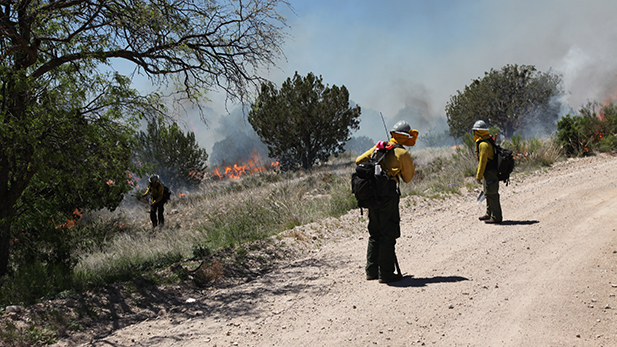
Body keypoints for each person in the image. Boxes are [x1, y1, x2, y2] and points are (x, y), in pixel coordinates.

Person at [355, 120, 417, 283]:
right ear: (404, 136)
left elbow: (358, 160)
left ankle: (371, 271)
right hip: (388, 195)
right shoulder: (402, 154)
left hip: (373, 195)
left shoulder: (378, 148)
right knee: (388, 232)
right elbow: (408, 178)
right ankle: (386, 273)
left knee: (374, 232)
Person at [473, 120, 502, 224]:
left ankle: (496, 217)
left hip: (490, 171)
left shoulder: (483, 144)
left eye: (475, 131)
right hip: (488, 172)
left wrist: (478, 176)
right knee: (487, 193)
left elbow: (483, 161)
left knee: (492, 194)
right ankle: (489, 214)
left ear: (478, 132)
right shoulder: (486, 141)